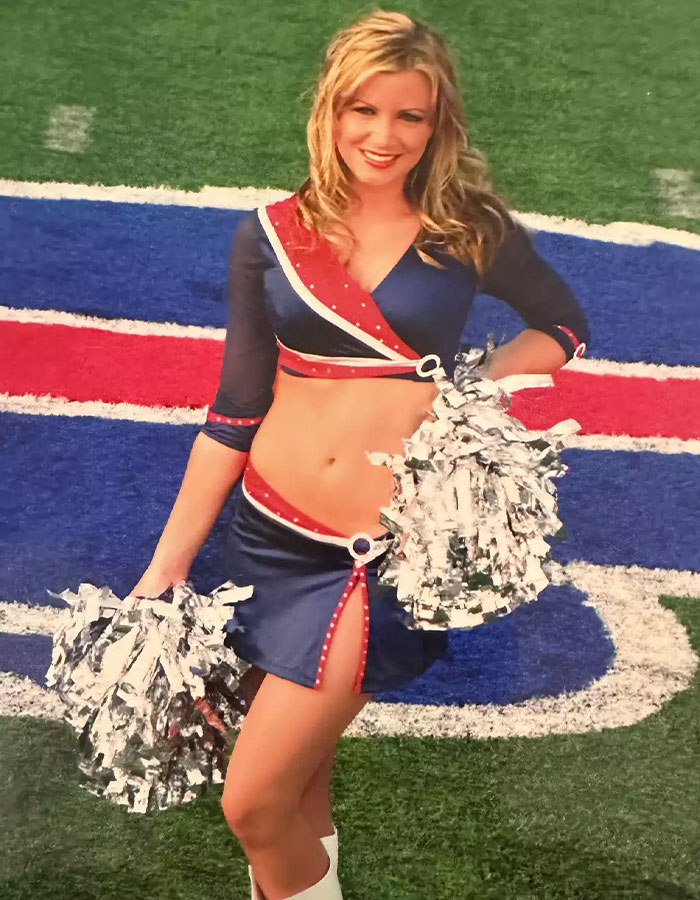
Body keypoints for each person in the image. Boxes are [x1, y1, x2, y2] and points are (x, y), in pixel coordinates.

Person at [131, 9, 589, 899]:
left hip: (371, 556)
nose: (384, 136)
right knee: (301, 784)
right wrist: (167, 564)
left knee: (253, 804)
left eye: (409, 116)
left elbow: (564, 324)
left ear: (437, 124)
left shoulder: (467, 227)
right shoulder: (269, 233)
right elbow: (234, 410)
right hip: (266, 536)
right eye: (363, 111)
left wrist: (472, 383)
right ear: (331, 112)